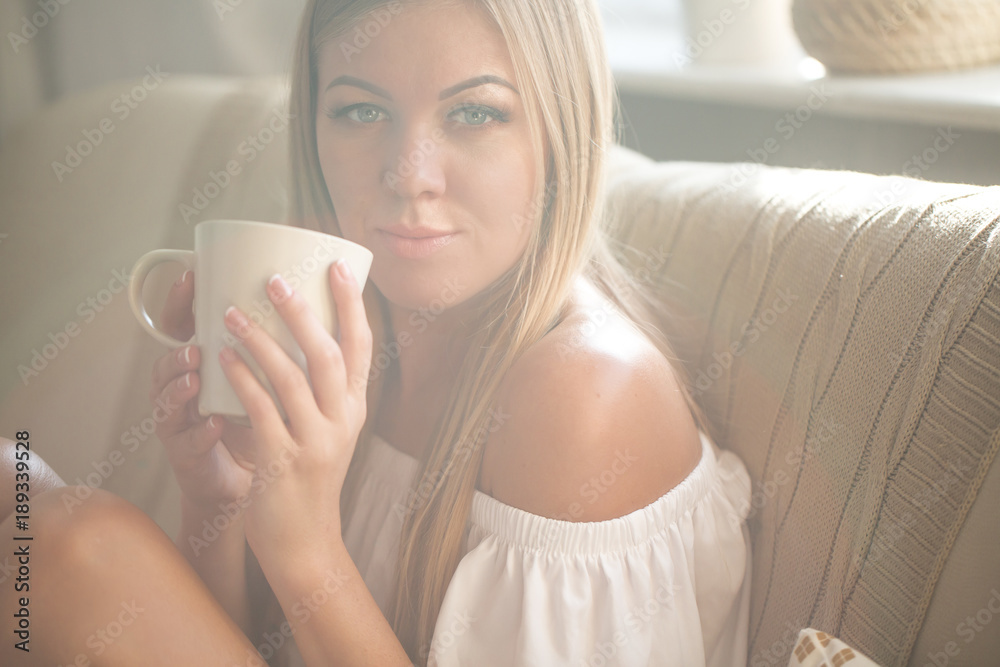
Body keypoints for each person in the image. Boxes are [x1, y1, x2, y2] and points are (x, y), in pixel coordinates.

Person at [0, 0, 753, 665]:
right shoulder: (353, 322)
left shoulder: (585, 394)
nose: (409, 174)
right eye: (362, 111)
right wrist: (220, 501)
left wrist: (305, 548)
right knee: (17, 483)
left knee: (68, 544)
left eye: (475, 112)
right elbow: (236, 642)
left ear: (564, 129)